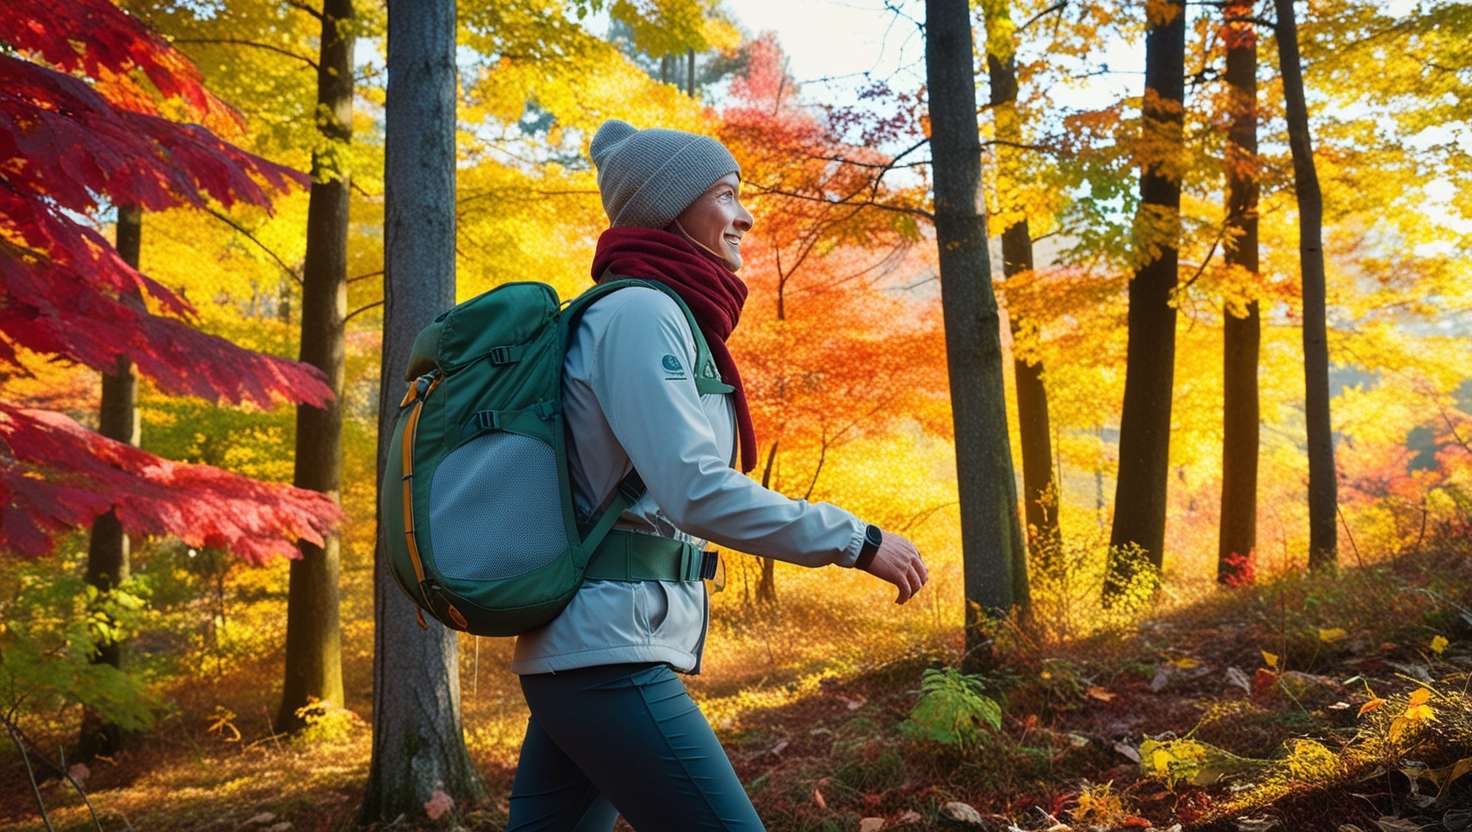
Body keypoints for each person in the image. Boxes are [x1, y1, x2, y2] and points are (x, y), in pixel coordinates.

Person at [505, 119, 929, 832]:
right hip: (606, 654)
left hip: (589, 649)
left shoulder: (656, 311)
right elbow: (694, 489)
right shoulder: (640, 311)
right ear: (670, 208)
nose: (746, 215)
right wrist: (854, 539)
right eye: (726, 195)